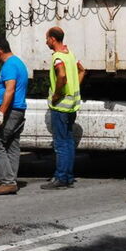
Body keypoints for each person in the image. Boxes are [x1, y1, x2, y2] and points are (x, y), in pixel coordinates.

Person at [42, 26, 85, 190]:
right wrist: (74, 87)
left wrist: (57, 94)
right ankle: (68, 176)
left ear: (53, 39)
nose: (46, 42)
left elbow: (61, 75)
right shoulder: (70, 55)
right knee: (68, 142)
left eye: (47, 38)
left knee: (60, 143)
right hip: (72, 106)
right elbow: (82, 70)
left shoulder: (58, 57)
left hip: (60, 107)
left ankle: (60, 177)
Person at [0, 36, 28, 195]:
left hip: (10, 110)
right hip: (17, 110)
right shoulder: (18, 62)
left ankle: (8, 182)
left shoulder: (10, 65)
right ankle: (11, 179)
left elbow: (10, 90)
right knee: (12, 144)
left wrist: (1, 112)